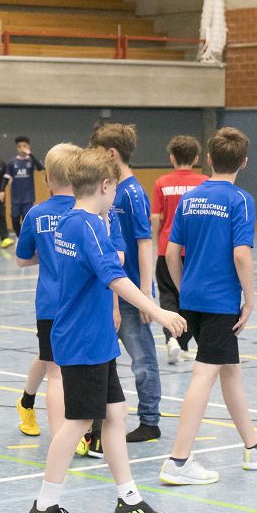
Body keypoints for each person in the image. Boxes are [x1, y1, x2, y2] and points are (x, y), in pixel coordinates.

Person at [27, 147, 185, 513]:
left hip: (92, 336)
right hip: (83, 339)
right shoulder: (89, 226)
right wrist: (158, 311)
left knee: (115, 412)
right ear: (105, 185)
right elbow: (114, 276)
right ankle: (44, 506)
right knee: (79, 421)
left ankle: (128, 499)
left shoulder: (68, 221)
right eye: (114, 188)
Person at [159, 127, 257, 485]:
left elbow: (171, 253)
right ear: (244, 162)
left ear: (209, 159)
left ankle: (253, 446)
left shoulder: (190, 198)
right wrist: (250, 299)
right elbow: (241, 254)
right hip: (220, 303)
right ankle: (179, 461)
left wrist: (184, 289)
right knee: (204, 375)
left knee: (230, 371)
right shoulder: (240, 200)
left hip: (193, 299)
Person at [91, 122, 162, 443]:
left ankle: (149, 420)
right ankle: (96, 421)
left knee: (142, 358)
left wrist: (145, 293)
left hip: (132, 290)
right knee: (102, 359)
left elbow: (145, 242)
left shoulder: (132, 193)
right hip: (110, 291)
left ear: (111, 153)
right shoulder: (107, 190)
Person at [15, 143, 80, 439]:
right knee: (57, 369)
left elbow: (21, 259)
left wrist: (46, 254)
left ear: (47, 178)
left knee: (51, 361)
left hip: (53, 303)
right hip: (69, 303)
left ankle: (27, 401)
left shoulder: (37, 213)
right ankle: (63, 437)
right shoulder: (88, 211)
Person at [152, 134, 207, 364]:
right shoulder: (204, 182)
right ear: (196, 158)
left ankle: (173, 341)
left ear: (172, 158)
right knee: (190, 297)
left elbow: (156, 217)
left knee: (168, 296)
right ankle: (180, 342)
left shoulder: (162, 183)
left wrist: (156, 243)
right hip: (195, 251)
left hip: (167, 249)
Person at [4, 136, 44, 237]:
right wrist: (2, 190)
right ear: (17, 148)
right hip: (16, 197)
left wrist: (30, 154)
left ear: (28, 147)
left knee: (27, 219)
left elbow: (40, 168)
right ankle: (19, 236)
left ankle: (26, 238)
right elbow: (6, 177)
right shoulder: (12, 162)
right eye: (19, 146)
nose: (22, 148)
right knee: (15, 218)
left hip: (28, 197)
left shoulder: (31, 160)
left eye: (24, 146)